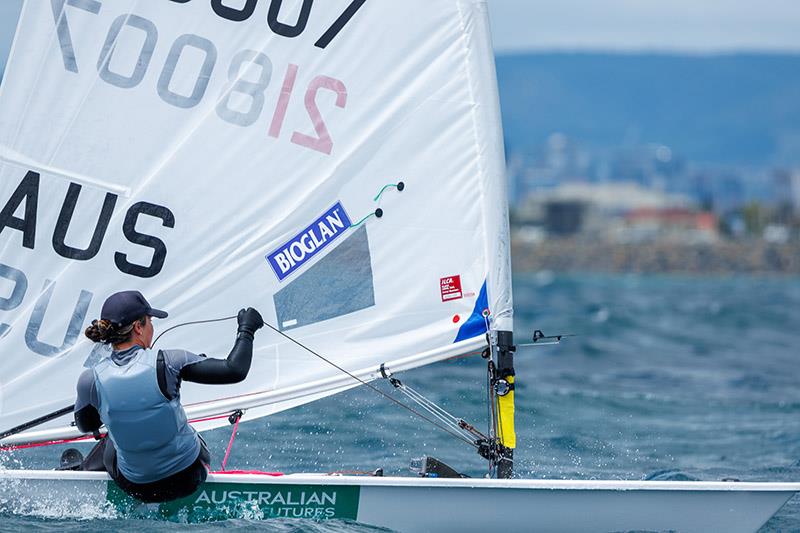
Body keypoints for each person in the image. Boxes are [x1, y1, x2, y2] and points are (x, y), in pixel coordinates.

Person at [71, 290, 264, 503]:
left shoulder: (90, 379)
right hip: (189, 478)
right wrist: (247, 329)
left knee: (112, 439)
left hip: (135, 487)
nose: (152, 328)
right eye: (150, 321)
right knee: (185, 434)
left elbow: (87, 426)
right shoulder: (170, 362)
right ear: (138, 327)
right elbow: (234, 370)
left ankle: (80, 469)